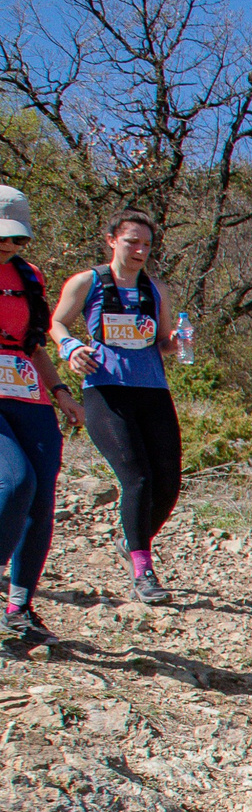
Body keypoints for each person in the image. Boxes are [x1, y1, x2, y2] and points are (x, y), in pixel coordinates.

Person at [52, 209, 183, 606]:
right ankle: (143, 571)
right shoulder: (87, 281)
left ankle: (131, 541)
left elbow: (161, 343)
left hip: (152, 390)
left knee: (168, 484)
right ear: (111, 240)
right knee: (137, 478)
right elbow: (57, 323)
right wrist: (70, 347)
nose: (140, 250)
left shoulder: (155, 289)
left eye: (146, 244)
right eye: (132, 242)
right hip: (105, 390)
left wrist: (175, 344)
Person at [0, 188, 78, 642]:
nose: (9, 246)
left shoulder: (29, 277)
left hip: (28, 393)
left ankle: (19, 606)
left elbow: (33, 344)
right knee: (15, 482)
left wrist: (62, 391)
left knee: (41, 497)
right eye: (2, 238)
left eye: (17, 239)